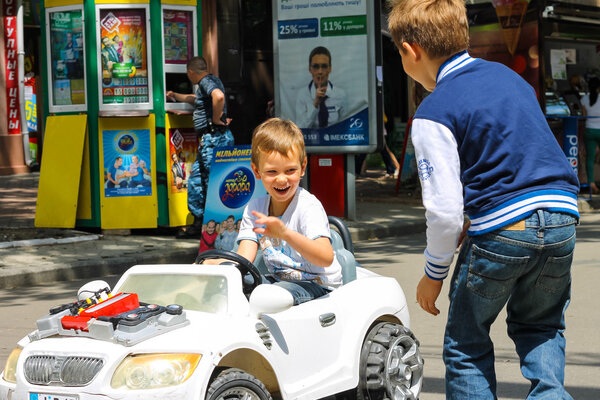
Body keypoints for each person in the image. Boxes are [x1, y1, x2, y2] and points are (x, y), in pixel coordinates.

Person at [388, 1, 580, 399]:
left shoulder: (433, 111)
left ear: (410, 51)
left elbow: (443, 212)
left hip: (503, 226)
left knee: (466, 344)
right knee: (541, 326)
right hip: (562, 215)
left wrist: (433, 274)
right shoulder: (510, 80)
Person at [208, 118, 343, 304]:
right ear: (256, 171)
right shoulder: (255, 209)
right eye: (272, 172)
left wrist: (286, 234)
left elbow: (325, 258)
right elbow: (245, 258)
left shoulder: (308, 207)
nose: (281, 179)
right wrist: (214, 266)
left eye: (290, 170)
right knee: (231, 287)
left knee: (269, 296)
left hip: (317, 284)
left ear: (302, 167)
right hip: (279, 282)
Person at [167, 56, 234, 237]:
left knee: (210, 181)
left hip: (213, 138)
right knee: (197, 180)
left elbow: (218, 97)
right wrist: (174, 95)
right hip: (212, 139)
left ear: (190, 72)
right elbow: (194, 99)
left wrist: (215, 118)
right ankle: (200, 223)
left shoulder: (205, 81)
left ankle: (215, 226)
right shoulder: (211, 80)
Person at [295, 46, 347, 129]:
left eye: (324, 66)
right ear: (310, 69)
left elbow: (345, 127)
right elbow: (300, 129)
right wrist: (315, 104)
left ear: (330, 69)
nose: (320, 72)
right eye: (315, 66)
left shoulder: (340, 94)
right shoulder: (302, 95)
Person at [581, 77, 600, 194]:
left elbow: (584, 115)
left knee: (590, 159)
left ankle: (591, 183)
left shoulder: (584, 99)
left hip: (589, 131)